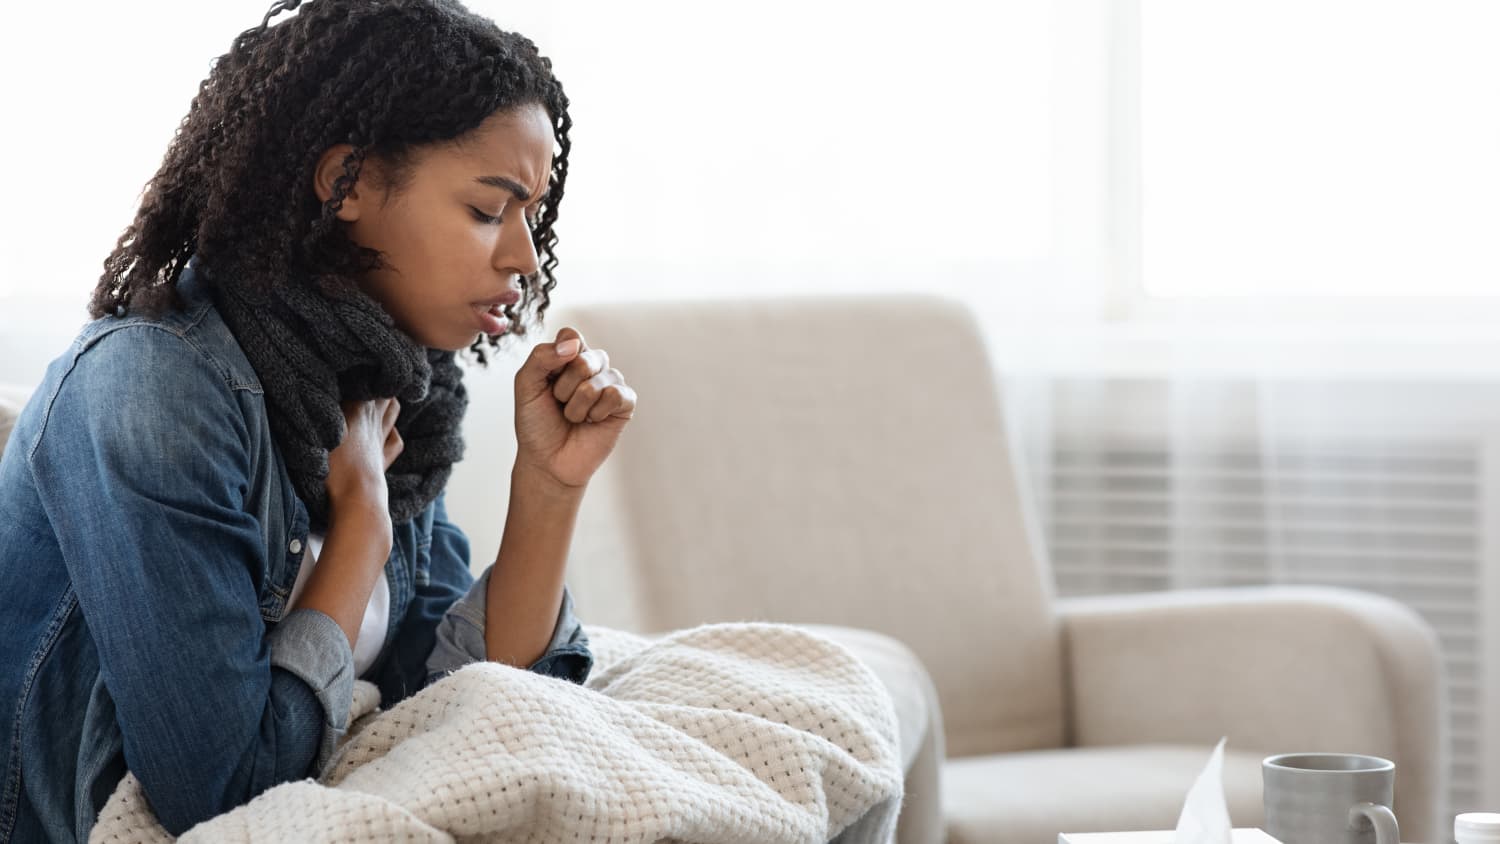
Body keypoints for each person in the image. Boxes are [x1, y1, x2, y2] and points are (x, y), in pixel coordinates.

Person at [0, 1, 638, 840]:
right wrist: (361, 529)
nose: (523, 256)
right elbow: (223, 792)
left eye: (532, 215)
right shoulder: (153, 391)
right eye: (490, 210)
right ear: (352, 184)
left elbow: (462, 698)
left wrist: (549, 486)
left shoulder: (390, 385)